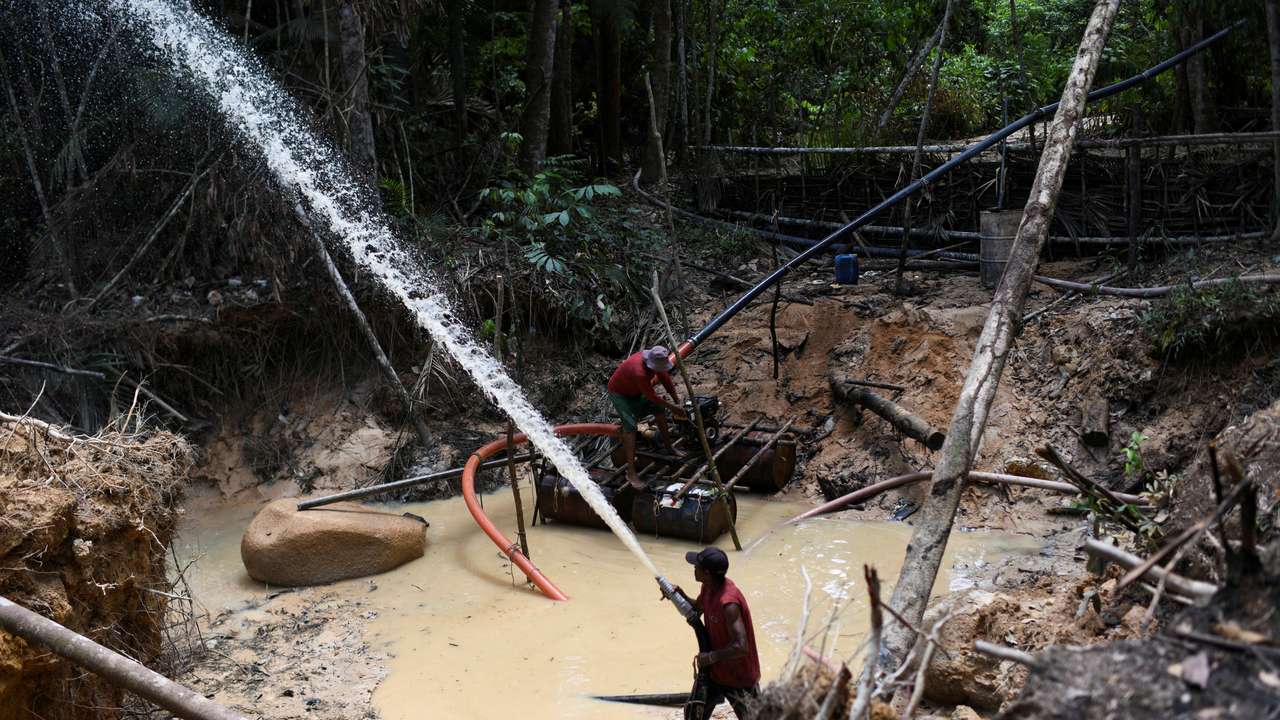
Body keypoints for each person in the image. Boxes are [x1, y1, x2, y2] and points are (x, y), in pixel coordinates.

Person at [662, 546, 761, 719]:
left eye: (696, 566)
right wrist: (678, 595)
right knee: (693, 713)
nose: (693, 568)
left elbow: (741, 646)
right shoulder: (708, 588)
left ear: (706, 573)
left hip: (740, 677)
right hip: (715, 672)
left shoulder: (729, 603)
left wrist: (710, 657)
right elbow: (697, 609)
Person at [607, 346, 685, 489]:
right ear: (651, 364)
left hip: (636, 391)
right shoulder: (639, 372)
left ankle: (668, 447)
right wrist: (674, 408)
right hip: (620, 394)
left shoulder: (656, 361)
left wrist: (677, 401)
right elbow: (652, 396)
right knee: (630, 427)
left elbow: (666, 380)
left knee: (659, 409)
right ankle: (631, 472)